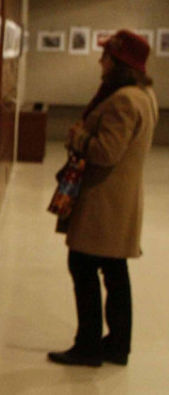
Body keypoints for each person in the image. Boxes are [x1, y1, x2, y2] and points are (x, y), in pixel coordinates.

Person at [47, 30, 159, 367]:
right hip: (119, 199)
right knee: (114, 270)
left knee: (82, 265)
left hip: (104, 201)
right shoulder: (144, 94)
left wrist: (79, 138)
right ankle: (117, 345)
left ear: (120, 62)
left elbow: (106, 152)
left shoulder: (123, 100)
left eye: (107, 56)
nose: (101, 62)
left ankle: (88, 346)